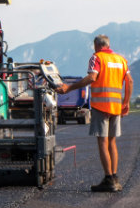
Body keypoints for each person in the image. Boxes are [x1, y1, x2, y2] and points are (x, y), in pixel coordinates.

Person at [56, 35, 132, 192]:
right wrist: (126, 103)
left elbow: (92, 77)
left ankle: (108, 179)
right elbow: (129, 81)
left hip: (101, 106)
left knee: (103, 142)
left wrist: (68, 88)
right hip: (116, 106)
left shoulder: (96, 57)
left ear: (97, 45)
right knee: (112, 142)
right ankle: (115, 177)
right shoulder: (121, 59)